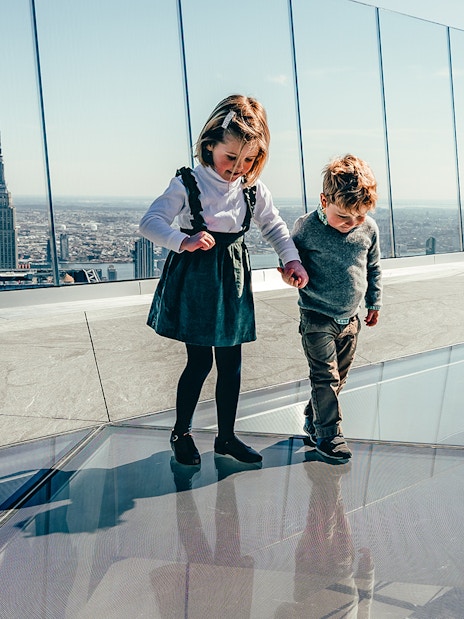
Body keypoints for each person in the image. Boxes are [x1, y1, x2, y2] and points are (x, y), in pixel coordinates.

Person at [139, 94, 308, 466]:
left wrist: (291, 260)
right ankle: (181, 433)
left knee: (231, 363)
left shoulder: (251, 188)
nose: (238, 167)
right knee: (199, 362)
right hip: (197, 279)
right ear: (210, 144)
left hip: (231, 280)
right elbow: (150, 222)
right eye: (230, 157)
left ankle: (226, 438)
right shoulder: (188, 183)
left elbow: (274, 227)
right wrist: (183, 241)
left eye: (248, 159)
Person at [279, 154, 382, 462]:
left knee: (339, 378)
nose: (351, 224)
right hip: (316, 316)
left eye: (359, 218)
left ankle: (315, 416)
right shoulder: (306, 228)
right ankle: (330, 435)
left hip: (350, 319)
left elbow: (373, 267)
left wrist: (374, 302)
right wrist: (290, 274)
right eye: (344, 218)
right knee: (325, 377)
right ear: (324, 201)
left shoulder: (369, 229)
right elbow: (289, 260)